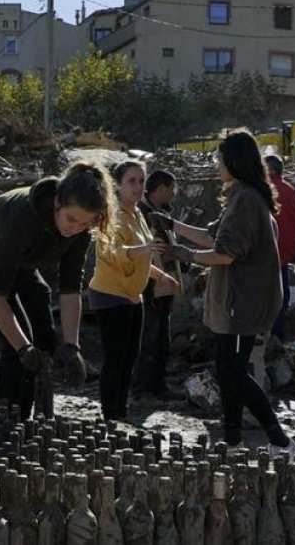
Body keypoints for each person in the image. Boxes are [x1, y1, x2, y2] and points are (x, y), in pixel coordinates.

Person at [153, 129, 295, 456]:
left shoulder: (247, 200)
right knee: (227, 371)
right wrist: (170, 224)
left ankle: (280, 441)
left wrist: (184, 254)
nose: (217, 165)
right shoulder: (241, 196)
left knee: (233, 372)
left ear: (234, 161)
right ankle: (232, 440)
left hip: (242, 302)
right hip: (236, 301)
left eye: (219, 159)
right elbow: (213, 238)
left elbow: (226, 253)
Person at [0, 163, 111, 419]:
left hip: (24, 261)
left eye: (84, 223)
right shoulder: (22, 218)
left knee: (45, 338)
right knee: (16, 342)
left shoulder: (81, 231)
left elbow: (70, 288)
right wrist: (22, 348)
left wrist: (72, 346)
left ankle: (30, 415)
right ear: (57, 203)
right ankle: (7, 419)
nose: (74, 229)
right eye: (70, 219)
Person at [89, 161, 179, 421]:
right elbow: (114, 253)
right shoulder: (111, 216)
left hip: (133, 296)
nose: (138, 186)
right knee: (115, 359)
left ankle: (121, 412)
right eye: (131, 181)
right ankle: (110, 416)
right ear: (117, 185)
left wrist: (161, 276)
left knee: (129, 359)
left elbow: (142, 258)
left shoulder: (138, 213)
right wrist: (146, 248)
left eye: (141, 181)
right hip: (109, 295)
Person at [135, 169, 182, 399]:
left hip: (165, 288)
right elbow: (144, 256)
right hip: (150, 287)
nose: (174, 193)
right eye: (172, 188)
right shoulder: (142, 215)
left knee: (162, 341)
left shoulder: (161, 214)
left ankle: (157, 385)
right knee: (149, 341)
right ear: (161, 188)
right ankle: (143, 388)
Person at [265, 155, 295, 342]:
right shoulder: (293, 193)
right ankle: (277, 336)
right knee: (282, 295)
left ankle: (269, 337)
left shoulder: (262, 191)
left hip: (264, 255)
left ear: (269, 170)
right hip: (285, 253)